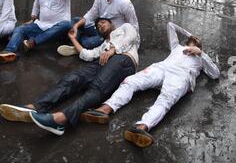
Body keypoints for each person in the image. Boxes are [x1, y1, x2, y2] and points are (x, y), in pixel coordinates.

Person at [83, 22, 220, 148]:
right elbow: (170, 25)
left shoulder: (201, 59)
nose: (196, 41)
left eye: (198, 42)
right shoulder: (177, 47)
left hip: (181, 77)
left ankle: (141, 128)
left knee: (166, 100)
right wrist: (190, 35)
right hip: (161, 68)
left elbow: (215, 74)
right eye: (193, 40)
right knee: (131, 81)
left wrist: (200, 52)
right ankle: (105, 109)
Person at [0, 18, 138, 136]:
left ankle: (60, 120)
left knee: (97, 86)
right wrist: (72, 38)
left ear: (112, 24)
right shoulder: (103, 46)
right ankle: (36, 106)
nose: (100, 25)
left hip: (124, 59)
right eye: (98, 26)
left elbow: (132, 37)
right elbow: (87, 55)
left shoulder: (124, 28)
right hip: (101, 63)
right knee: (72, 78)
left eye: (103, 22)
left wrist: (114, 49)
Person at [57, 0, 140, 56]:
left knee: (87, 43)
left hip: (111, 37)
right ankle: (76, 45)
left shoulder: (125, 3)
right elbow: (91, 14)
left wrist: (132, 47)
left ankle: (79, 47)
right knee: (75, 21)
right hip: (99, 28)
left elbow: (134, 27)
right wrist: (76, 26)